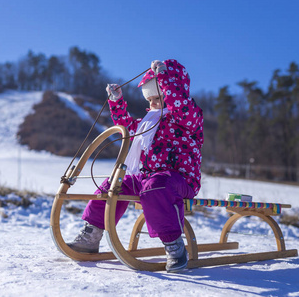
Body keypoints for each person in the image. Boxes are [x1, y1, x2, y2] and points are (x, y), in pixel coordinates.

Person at [67, 59, 203, 272]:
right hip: (147, 177)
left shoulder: (188, 117)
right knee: (115, 183)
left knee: (157, 185)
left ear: (172, 92)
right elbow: (126, 127)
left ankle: (174, 245)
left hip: (179, 179)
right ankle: (91, 234)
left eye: (159, 97)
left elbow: (180, 104)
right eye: (150, 99)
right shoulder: (147, 121)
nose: (154, 103)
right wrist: (117, 101)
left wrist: (165, 79)